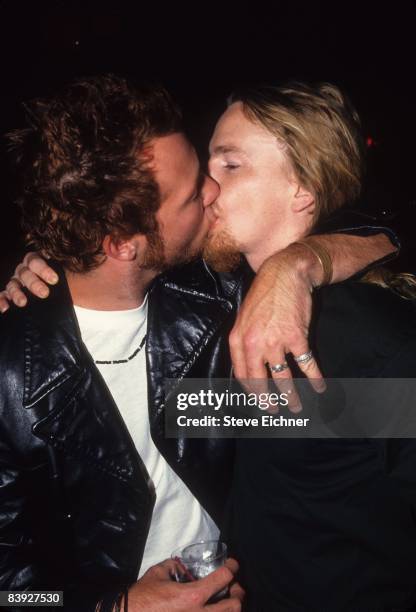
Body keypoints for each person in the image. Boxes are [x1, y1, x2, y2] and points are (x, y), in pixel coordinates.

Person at [0, 75, 400, 611]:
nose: (212, 190)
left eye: (221, 167)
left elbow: (376, 223)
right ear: (122, 243)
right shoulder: (13, 378)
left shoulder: (208, 291)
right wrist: (115, 607)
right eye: (194, 191)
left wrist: (296, 264)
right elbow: (15, 595)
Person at [203, 83, 416, 611]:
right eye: (209, 164)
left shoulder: (371, 342)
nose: (206, 188)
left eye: (230, 166)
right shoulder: (213, 295)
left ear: (302, 189)